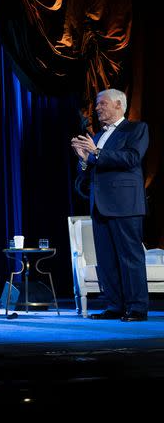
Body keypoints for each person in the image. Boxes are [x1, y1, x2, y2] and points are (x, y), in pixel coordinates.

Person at [71, 88, 149, 322]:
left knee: (129, 258)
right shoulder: (97, 135)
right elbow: (89, 168)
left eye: (102, 103)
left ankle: (136, 308)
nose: (97, 108)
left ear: (118, 105)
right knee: (106, 259)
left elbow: (132, 158)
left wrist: (97, 152)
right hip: (100, 204)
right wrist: (84, 161)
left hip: (125, 205)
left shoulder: (136, 129)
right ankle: (115, 305)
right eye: (97, 104)